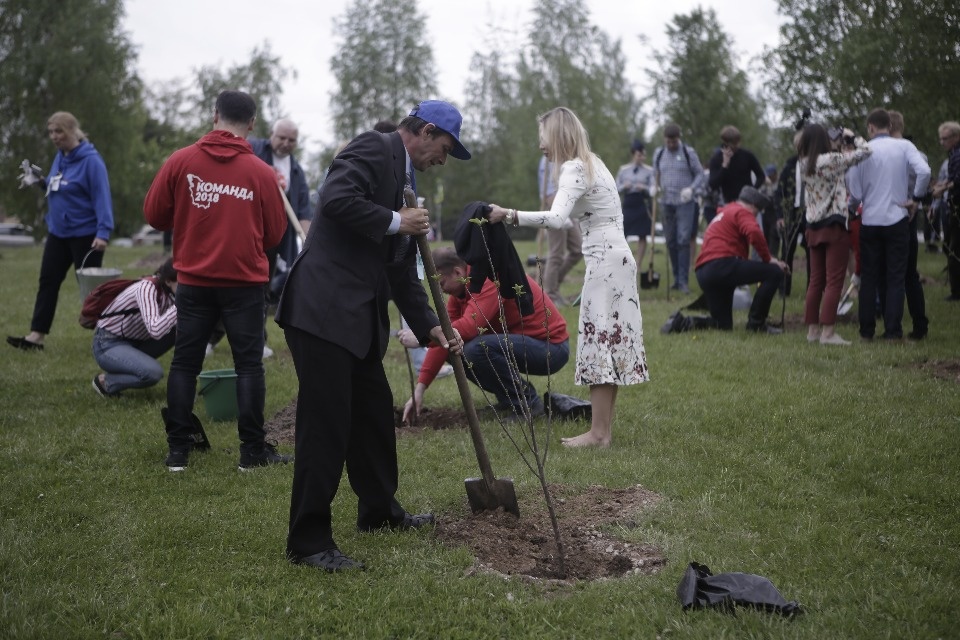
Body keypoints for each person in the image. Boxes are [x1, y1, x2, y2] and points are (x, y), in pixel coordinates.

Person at [275, 100, 468, 572]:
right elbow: (335, 200)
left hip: (356, 320)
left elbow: (400, 271)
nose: (443, 160)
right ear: (426, 131)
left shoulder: (405, 179)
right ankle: (308, 541)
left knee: (374, 417)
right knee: (326, 426)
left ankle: (379, 512)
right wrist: (397, 220)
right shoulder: (374, 148)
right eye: (445, 149)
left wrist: (431, 326)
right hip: (322, 310)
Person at [144, 90, 289, 472]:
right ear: (252, 124)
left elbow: (154, 215)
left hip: (193, 281)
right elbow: (275, 234)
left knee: (185, 363)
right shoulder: (261, 172)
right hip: (244, 283)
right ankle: (252, 452)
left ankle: (178, 451)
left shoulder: (181, 160)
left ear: (214, 116)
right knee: (249, 366)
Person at [488, 106, 649, 448]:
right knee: (609, 344)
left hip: (604, 264)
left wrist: (509, 215)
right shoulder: (594, 163)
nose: (540, 145)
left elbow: (557, 219)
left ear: (558, 135)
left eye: (543, 137)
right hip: (619, 259)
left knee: (599, 344)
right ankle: (602, 432)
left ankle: (598, 433)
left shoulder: (574, 168)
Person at [400, 247, 569, 424]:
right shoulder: (459, 294)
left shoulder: (488, 278)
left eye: (441, 283)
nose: (441, 290)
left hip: (551, 348)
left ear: (457, 272)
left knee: (477, 348)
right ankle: (509, 400)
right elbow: (447, 339)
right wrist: (419, 390)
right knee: (453, 347)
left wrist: (424, 337)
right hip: (524, 344)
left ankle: (528, 404)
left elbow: (468, 328)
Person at [206, 118, 313, 359]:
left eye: (291, 140)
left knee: (260, 290)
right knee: (226, 286)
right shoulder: (251, 149)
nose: (285, 143)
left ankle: (256, 341)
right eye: (281, 137)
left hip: (272, 240)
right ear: (271, 135)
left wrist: (307, 240)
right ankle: (209, 338)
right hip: (239, 233)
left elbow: (303, 211)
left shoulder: (296, 171)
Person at [7, 111, 114, 352]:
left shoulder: (92, 161)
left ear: (73, 131)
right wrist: (39, 181)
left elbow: (102, 197)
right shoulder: (60, 157)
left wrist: (103, 232)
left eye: (59, 131)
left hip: (87, 235)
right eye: (51, 132)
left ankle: (110, 338)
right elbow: (58, 186)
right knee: (48, 281)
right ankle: (36, 337)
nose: (54, 137)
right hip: (58, 233)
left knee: (92, 291)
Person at [846, 108, 930, 340]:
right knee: (896, 277)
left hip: (870, 219)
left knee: (869, 277)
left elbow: (854, 190)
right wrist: (916, 198)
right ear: (890, 126)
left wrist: (853, 207)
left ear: (871, 127)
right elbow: (924, 171)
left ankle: (866, 330)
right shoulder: (904, 146)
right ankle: (893, 330)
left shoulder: (863, 151)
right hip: (897, 217)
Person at [662, 186, 790, 334]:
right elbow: (754, 232)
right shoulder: (742, 211)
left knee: (722, 324)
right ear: (753, 205)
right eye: (757, 212)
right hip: (722, 265)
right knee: (774, 272)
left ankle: (682, 322)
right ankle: (756, 324)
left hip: (704, 272)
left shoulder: (726, 212)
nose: (755, 216)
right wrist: (768, 259)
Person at [797, 124, 872, 346]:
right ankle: (828, 333)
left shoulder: (803, 163)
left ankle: (812, 331)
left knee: (815, 281)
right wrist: (852, 136)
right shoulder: (832, 160)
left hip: (813, 225)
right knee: (834, 281)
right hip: (834, 225)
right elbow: (866, 152)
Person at [92, 258, 179, 396]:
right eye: (182, 283)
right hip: (108, 343)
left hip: (136, 341)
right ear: (168, 281)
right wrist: (180, 306)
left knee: (180, 329)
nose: (187, 288)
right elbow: (156, 330)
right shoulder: (147, 288)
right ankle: (105, 382)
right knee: (152, 373)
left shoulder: (170, 293)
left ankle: (181, 384)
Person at [888, 112, 929, 339]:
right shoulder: (917, 153)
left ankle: (891, 325)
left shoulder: (884, 153)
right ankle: (919, 324)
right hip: (909, 216)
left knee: (892, 275)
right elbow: (924, 175)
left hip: (890, 216)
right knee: (910, 274)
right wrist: (917, 198)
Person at [652, 124, 704, 294]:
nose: (671, 144)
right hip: (666, 202)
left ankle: (683, 281)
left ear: (678, 138)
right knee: (670, 241)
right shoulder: (659, 153)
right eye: (668, 141)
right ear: (664, 139)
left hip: (685, 202)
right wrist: (655, 186)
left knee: (683, 240)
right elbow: (655, 173)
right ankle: (676, 279)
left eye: (673, 141)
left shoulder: (689, 153)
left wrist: (692, 189)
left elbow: (700, 174)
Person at [539, 155, 583, 305]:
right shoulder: (548, 160)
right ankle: (550, 295)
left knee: (578, 249)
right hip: (555, 210)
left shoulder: (566, 157)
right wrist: (561, 215)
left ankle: (552, 284)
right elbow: (548, 193)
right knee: (556, 253)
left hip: (569, 209)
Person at [616, 139, 655, 270]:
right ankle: (623, 261)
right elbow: (615, 188)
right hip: (628, 203)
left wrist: (644, 188)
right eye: (639, 155)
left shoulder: (649, 171)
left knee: (642, 234)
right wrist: (624, 186)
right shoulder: (623, 170)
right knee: (623, 233)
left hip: (642, 203)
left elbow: (653, 189)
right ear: (633, 154)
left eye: (643, 155)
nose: (641, 158)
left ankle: (638, 264)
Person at [932, 121, 960, 301]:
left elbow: (958, 180)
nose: (942, 142)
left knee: (953, 249)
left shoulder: (958, 155)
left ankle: (957, 292)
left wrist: (942, 189)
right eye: (941, 139)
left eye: (946, 138)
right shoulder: (953, 154)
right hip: (953, 206)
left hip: (957, 207)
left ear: (956, 137)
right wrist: (942, 184)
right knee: (950, 246)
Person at [708, 125, 766, 207]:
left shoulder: (747, 155)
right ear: (726, 142)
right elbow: (713, 184)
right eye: (734, 144)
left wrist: (752, 190)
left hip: (747, 202)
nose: (737, 146)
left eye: (738, 142)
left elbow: (761, 176)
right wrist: (724, 165)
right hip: (728, 202)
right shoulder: (716, 158)